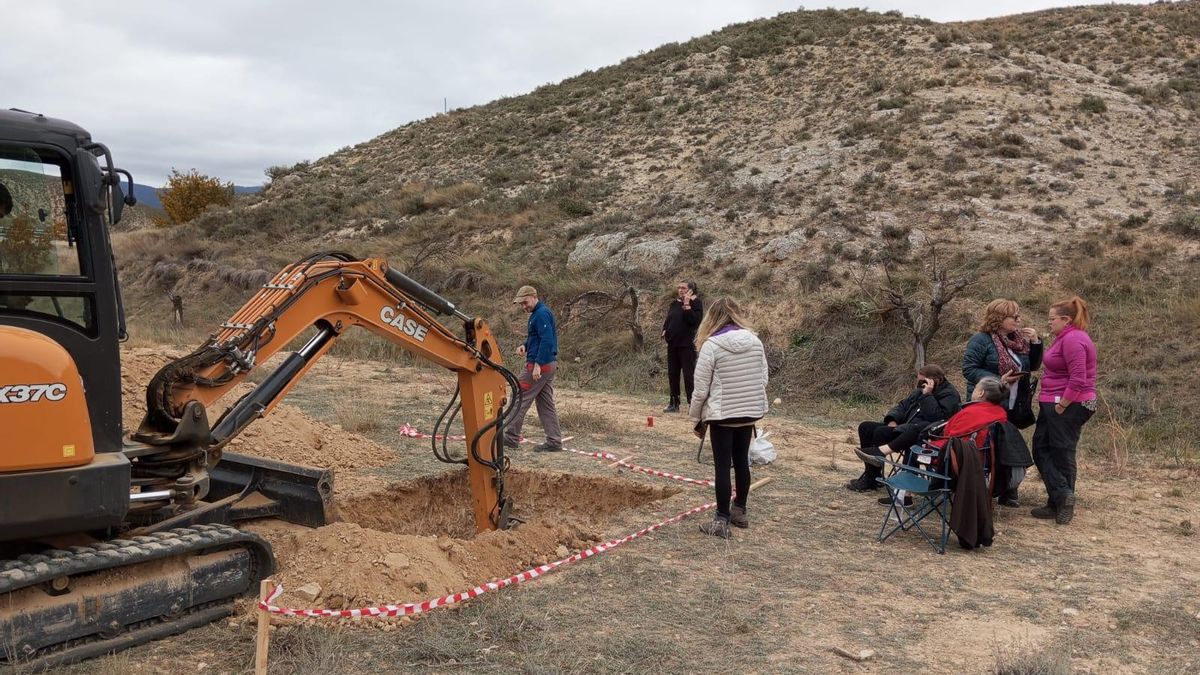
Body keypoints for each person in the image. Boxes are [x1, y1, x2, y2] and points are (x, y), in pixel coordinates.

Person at [688, 297, 769, 539]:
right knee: (741, 461)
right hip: (749, 412)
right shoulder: (755, 341)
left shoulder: (711, 345)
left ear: (712, 318)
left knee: (722, 465)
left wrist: (696, 417)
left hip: (723, 415)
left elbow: (700, 388)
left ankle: (721, 518)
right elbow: (762, 377)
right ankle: (740, 510)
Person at [857, 376, 1011, 497]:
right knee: (911, 431)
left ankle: (904, 494)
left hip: (951, 458)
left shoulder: (967, 408)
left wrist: (927, 398)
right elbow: (904, 405)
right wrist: (893, 418)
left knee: (915, 440)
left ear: (981, 393)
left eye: (976, 388)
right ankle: (880, 456)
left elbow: (949, 431)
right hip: (975, 459)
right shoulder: (1000, 413)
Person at [1031, 296, 1097, 525]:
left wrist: (1062, 404)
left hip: (1068, 404)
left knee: (1062, 452)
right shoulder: (1064, 337)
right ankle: (1059, 497)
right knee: (1042, 449)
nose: (1049, 323)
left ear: (1066, 319)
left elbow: (1079, 378)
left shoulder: (1073, 340)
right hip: (1055, 402)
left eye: (1052, 319)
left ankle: (1062, 501)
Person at [846, 364, 961, 492]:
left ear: (932, 380)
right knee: (865, 427)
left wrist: (927, 395)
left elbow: (937, 418)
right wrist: (892, 419)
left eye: (921, 380)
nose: (919, 383)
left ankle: (872, 477)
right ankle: (872, 475)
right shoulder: (920, 389)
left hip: (921, 433)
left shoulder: (949, 395)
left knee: (880, 432)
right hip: (903, 426)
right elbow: (903, 405)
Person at [503, 285, 563, 453]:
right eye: (521, 304)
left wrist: (537, 364)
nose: (523, 306)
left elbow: (547, 341)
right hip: (548, 365)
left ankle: (510, 437)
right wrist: (525, 345)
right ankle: (554, 441)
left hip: (540, 366)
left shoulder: (541, 314)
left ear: (533, 296)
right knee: (545, 404)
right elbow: (536, 338)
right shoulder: (538, 314)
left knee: (519, 396)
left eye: (525, 302)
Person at [963, 298, 1043, 422]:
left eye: (1019, 317)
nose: (1019, 320)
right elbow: (969, 369)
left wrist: (1035, 343)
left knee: (1007, 438)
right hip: (989, 399)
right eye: (1014, 317)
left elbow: (1033, 367)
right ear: (999, 318)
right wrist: (999, 379)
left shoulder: (1018, 341)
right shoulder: (981, 339)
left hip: (1015, 401)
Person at [661, 280, 703, 413]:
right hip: (673, 344)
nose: (680, 290)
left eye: (683, 288)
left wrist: (686, 304)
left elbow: (694, 321)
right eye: (679, 288)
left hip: (687, 345)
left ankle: (692, 404)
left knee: (689, 375)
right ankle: (674, 403)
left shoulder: (696, 303)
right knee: (673, 374)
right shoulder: (674, 303)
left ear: (691, 290)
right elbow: (669, 319)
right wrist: (665, 329)